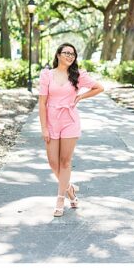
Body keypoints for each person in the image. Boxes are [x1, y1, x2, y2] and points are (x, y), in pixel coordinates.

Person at [38, 43, 105, 217]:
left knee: (65, 161)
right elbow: (42, 103)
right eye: (66, 53)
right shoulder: (47, 75)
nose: (70, 56)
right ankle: (70, 189)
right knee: (53, 163)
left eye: (73, 54)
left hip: (70, 121)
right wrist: (44, 127)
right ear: (58, 55)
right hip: (52, 122)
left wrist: (81, 95)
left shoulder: (78, 75)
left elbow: (99, 87)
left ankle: (60, 199)